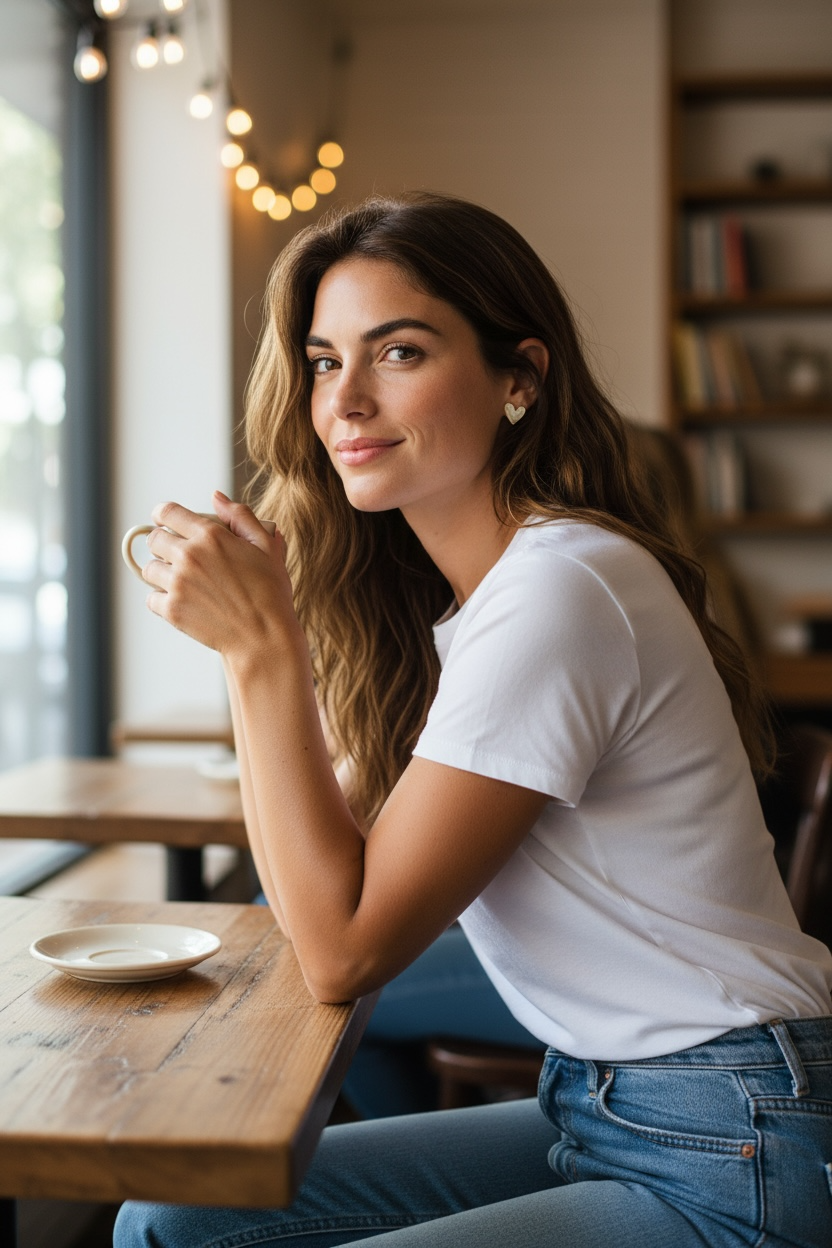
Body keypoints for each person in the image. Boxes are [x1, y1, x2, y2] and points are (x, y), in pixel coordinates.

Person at [114, 192, 832, 1248]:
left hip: (730, 1133)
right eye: (323, 361)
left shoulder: (559, 591)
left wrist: (257, 651)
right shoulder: (476, 604)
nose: (346, 399)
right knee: (174, 1221)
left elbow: (342, 951)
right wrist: (267, 640)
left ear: (518, 379)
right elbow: (327, 867)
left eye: (397, 353)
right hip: (602, 1097)